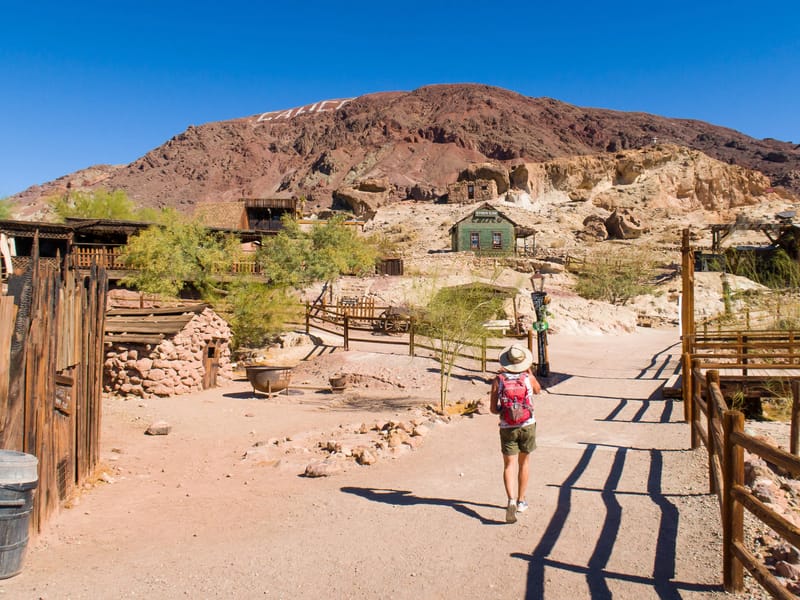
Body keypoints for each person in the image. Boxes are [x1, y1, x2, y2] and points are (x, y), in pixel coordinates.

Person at [490, 343, 541, 523]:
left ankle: (510, 499)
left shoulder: (499, 380)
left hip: (507, 426)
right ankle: (521, 501)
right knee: (524, 462)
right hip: (527, 424)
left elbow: (493, 409)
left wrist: (506, 412)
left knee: (509, 465)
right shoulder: (528, 377)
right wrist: (530, 374)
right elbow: (538, 391)